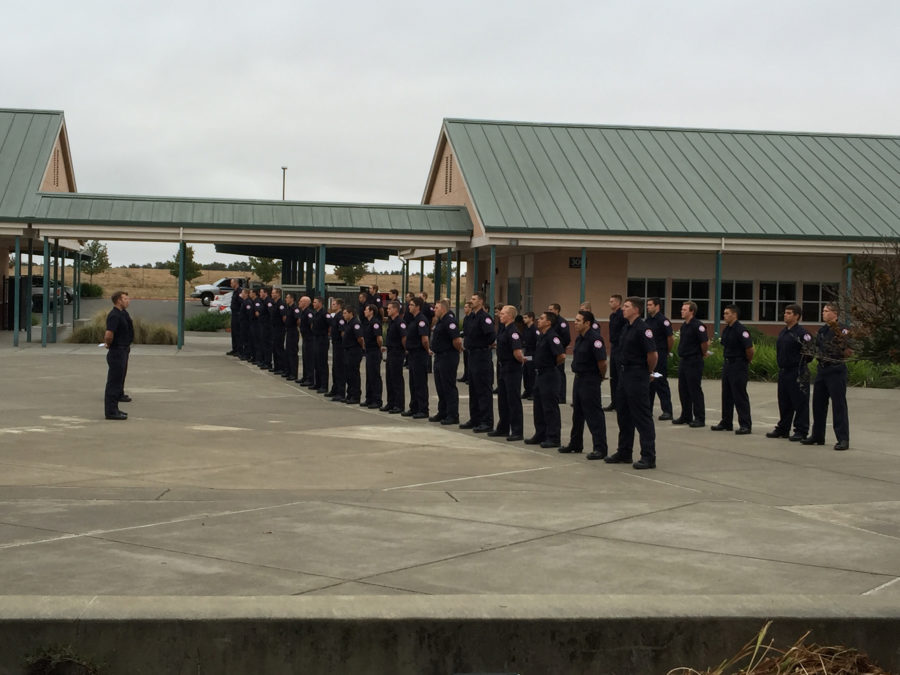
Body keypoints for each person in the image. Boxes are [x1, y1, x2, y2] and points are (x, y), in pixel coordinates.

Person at [605, 297, 657, 469]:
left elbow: (652, 355)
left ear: (636, 310)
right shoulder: (626, 327)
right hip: (624, 374)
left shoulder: (643, 329)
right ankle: (624, 452)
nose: (623, 309)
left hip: (637, 374)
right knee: (624, 415)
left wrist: (648, 372)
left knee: (642, 417)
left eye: (626, 307)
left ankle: (648, 456)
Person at [802, 303, 851, 451]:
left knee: (839, 406)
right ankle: (818, 435)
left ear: (835, 314)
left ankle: (842, 438)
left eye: (826, 311)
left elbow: (848, 350)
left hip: (836, 370)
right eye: (823, 311)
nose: (823, 313)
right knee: (818, 404)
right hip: (822, 370)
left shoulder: (842, 330)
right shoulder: (823, 330)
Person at [561, 310, 608, 458]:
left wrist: (600, 377)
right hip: (579, 378)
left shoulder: (595, 339)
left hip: (590, 379)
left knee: (594, 414)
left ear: (587, 323)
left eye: (578, 320)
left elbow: (602, 362)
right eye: (575, 320)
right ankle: (575, 444)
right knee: (578, 413)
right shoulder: (580, 338)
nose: (575, 323)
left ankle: (600, 448)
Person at [767, 304, 811, 441]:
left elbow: (809, 354)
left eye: (789, 313)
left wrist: (798, 363)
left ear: (796, 316)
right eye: (785, 313)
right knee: (784, 401)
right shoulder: (783, 332)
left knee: (800, 402)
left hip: (797, 371)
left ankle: (801, 430)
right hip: (784, 372)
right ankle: (783, 428)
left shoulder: (803, 334)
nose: (785, 315)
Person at [712, 305, 755, 434]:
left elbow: (749, 349)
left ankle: (745, 424)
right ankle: (726, 422)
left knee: (739, 395)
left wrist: (745, 361)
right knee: (726, 395)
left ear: (734, 315)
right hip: (728, 365)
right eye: (724, 313)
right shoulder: (727, 330)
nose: (724, 315)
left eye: (727, 313)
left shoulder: (741, 330)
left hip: (738, 365)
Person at [525, 312, 564, 448]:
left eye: (541, 319)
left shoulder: (552, 336)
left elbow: (561, 356)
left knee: (549, 407)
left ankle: (553, 437)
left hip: (549, 374)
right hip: (540, 374)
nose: (538, 320)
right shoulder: (542, 336)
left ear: (548, 322)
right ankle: (540, 433)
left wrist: (550, 366)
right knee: (539, 406)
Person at [461, 292, 496, 433]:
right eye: (471, 299)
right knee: (473, 389)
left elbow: (491, 336)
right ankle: (474, 418)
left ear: (481, 301)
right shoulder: (470, 318)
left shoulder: (485, 317)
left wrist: (482, 346)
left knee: (483, 390)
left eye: (474, 299)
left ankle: (486, 421)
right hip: (471, 356)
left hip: (481, 355)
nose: (471, 301)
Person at [492, 305, 525, 441]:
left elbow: (517, 352)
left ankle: (517, 431)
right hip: (503, 367)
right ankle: (503, 427)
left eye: (503, 314)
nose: (500, 315)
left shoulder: (513, 331)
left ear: (510, 316)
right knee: (503, 399)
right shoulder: (503, 329)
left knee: (513, 400)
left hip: (512, 368)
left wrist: (520, 359)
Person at [673, 301, 708, 428]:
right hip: (684, 360)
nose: (682, 311)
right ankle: (686, 415)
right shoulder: (684, 326)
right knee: (683, 389)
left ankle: (699, 417)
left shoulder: (698, 326)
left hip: (694, 360)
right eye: (682, 309)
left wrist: (702, 354)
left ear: (692, 311)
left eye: (685, 309)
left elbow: (704, 342)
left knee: (694, 389)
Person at [430, 299, 462, 425]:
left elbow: (457, 340)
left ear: (443, 308)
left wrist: (455, 351)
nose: (434, 310)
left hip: (448, 356)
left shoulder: (450, 321)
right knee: (440, 386)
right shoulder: (440, 321)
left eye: (436, 308)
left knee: (448, 386)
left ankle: (453, 415)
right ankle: (442, 411)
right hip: (439, 356)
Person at [103, 290, 134, 420]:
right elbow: (109, 334)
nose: (128, 300)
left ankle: (115, 408)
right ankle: (111, 411)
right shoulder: (114, 315)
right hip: (117, 351)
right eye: (125, 299)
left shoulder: (123, 313)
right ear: (118, 301)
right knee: (113, 382)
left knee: (118, 380)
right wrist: (108, 344)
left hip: (123, 350)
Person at [645, 297, 674, 420]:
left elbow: (670, 338)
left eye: (650, 305)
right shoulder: (647, 320)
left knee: (660, 382)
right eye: (647, 305)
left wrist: (666, 351)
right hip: (650, 356)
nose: (648, 307)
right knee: (650, 383)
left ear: (657, 306)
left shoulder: (663, 321)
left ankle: (667, 410)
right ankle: (648, 409)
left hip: (660, 355)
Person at [403, 296, 430, 419]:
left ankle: (423, 409)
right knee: (413, 383)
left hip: (419, 354)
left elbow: (424, 339)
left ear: (418, 307)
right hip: (412, 354)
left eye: (412, 305)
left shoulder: (421, 320)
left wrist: (427, 350)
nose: (409, 307)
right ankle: (414, 407)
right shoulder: (413, 320)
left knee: (420, 383)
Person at [382, 300, 406, 414]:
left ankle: (399, 404)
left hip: (397, 352)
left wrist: (405, 350)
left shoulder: (399, 322)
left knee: (396, 379)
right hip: (390, 352)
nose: (388, 310)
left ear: (396, 309)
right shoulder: (391, 322)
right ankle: (390, 402)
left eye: (390, 308)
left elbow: (404, 338)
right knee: (389, 378)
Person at [604, 295, 626, 411]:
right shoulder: (612, 316)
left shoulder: (622, 315)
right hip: (614, 348)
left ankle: (621, 403)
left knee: (620, 376)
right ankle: (614, 402)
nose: (610, 303)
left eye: (612, 301)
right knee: (614, 377)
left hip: (621, 348)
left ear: (618, 303)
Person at [338, 305, 364, 405]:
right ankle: (349, 394)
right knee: (348, 374)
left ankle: (355, 396)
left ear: (351, 313)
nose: (343, 315)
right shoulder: (348, 323)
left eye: (345, 313)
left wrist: (361, 347)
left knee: (354, 374)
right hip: (347, 351)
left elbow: (360, 338)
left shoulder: (355, 323)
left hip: (354, 351)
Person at [362, 303, 384, 409]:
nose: (364, 311)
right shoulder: (368, 323)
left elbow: (379, 338)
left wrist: (379, 347)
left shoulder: (375, 323)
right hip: (369, 352)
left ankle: (377, 399)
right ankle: (369, 398)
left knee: (375, 376)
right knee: (369, 376)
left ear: (371, 311)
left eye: (366, 310)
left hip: (374, 351)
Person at [548, 303, 570, 404]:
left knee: (560, 373)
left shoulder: (562, 323)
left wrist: (559, 348)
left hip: (558, 352)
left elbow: (566, 338)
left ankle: (561, 396)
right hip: (550, 353)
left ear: (557, 310)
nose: (549, 311)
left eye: (551, 309)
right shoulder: (550, 322)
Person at [325, 298, 347, 399]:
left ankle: (341, 392)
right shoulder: (335, 316)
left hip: (340, 345)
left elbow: (342, 332)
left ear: (339, 305)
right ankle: (335, 389)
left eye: (334, 304)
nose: (332, 306)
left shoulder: (341, 317)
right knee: (335, 368)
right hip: (335, 344)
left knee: (340, 368)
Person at [311, 296, 330, 393]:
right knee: (316, 362)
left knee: (322, 362)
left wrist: (327, 335)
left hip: (322, 339)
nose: (313, 304)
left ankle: (324, 385)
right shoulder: (315, 313)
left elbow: (330, 325)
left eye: (315, 302)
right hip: (316, 338)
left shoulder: (325, 314)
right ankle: (317, 383)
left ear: (320, 303)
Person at [282, 292, 300, 381]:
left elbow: (298, 319)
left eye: (287, 298)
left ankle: (293, 373)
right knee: (287, 352)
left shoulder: (295, 308)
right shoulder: (288, 308)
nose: (286, 299)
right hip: (288, 331)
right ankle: (288, 371)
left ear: (292, 299)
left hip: (293, 331)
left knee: (293, 352)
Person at [520, 311, 537, 399]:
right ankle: (527, 390)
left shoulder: (535, 330)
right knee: (525, 372)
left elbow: (537, 342)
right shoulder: (526, 328)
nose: (524, 319)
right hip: (526, 352)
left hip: (532, 353)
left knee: (531, 373)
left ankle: (533, 392)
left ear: (531, 318)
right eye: (523, 318)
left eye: (526, 318)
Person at [298, 296, 314, 385]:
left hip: (309, 338)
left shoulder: (309, 312)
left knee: (309, 359)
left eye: (301, 301)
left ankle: (310, 378)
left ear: (305, 303)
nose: (299, 302)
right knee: (305, 358)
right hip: (304, 338)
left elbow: (312, 324)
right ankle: (305, 376)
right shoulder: (302, 312)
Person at [270, 287, 287, 375]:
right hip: (274, 328)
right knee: (274, 347)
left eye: (273, 293)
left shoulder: (281, 304)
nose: (272, 294)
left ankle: (281, 367)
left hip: (279, 328)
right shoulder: (274, 303)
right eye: (272, 293)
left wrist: (283, 326)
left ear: (278, 294)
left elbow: (284, 317)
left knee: (279, 348)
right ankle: (276, 366)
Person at [227, 278, 242, 356]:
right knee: (234, 333)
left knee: (237, 333)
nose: (230, 284)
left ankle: (239, 350)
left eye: (231, 283)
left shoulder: (239, 292)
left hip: (237, 315)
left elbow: (241, 303)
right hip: (234, 314)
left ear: (236, 283)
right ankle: (234, 349)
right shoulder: (235, 292)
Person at [258, 287, 273, 370]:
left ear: (265, 293)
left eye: (261, 292)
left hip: (267, 327)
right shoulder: (263, 301)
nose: (260, 293)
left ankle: (268, 362)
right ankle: (264, 361)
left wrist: (269, 325)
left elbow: (271, 314)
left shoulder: (268, 302)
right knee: (263, 344)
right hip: (263, 326)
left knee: (267, 345)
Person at [458, 301, 473, 383]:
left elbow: (470, 330)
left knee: (470, 361)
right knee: (466, 360)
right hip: (466, 341)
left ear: (470, 308)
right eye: (464, 307)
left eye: (466, 307)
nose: (465, 309)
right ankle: (465, 375)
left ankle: (470, 377)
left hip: (470, 341)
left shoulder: (472, 318)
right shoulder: (466, 318)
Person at [238, 288, 252, 361]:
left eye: (243, 293)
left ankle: (247, 354)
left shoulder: (248, 302)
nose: (241, 294)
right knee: (243, 339)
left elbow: (249, 314)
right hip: (243, 323)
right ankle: (245, 353)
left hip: (246, 324)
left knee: (246, 340)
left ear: (246, 294)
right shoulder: (244, 302)